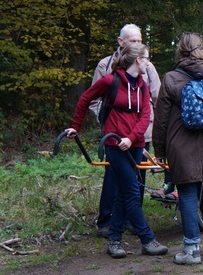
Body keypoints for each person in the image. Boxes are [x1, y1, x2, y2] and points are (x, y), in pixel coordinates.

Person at [66, 43, 168, 259]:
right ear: (137, 60)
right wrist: (76, 126)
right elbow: (86, 98)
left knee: (123, 193)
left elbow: (145, 116)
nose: (149, 62)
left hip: (135, 144)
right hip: (114, 144)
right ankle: (147, 239)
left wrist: (131, 139)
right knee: (131, 191)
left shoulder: (143, 85)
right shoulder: (110, 80)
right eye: (147, 58)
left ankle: (114, 240)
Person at [153, 32, 203, 264]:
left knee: (186, 192)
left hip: (181, 142)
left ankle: (191, 250)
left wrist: (160, 151)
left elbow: (162, 119)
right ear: (201, 48)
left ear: (180, 50)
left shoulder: (171, 78)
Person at [89, 24, 164, 237]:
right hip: (114, 135)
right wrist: (106, 122)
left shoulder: (148, 67)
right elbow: (93, 100)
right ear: (121, 42)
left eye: (140, 41)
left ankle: (132, 220)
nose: (138, 45)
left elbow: (158, 98)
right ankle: (106, 220)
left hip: (141, 133)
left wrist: (153, 125)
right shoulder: (105, 65)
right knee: (113, 176)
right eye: (133, 41)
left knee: (137, 179)